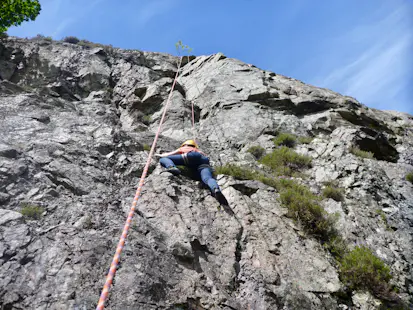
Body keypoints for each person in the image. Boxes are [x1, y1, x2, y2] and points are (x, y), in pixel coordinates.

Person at [155, 139, 228, 206]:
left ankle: (172, 167)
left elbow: (169, 154)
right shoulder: (199, 151)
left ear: (185, 145)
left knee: (164, 159)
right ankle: (215, 189)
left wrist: (160, 155)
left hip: (191, 156)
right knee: (207, 178)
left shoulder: (185, 148)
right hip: (204, 161)